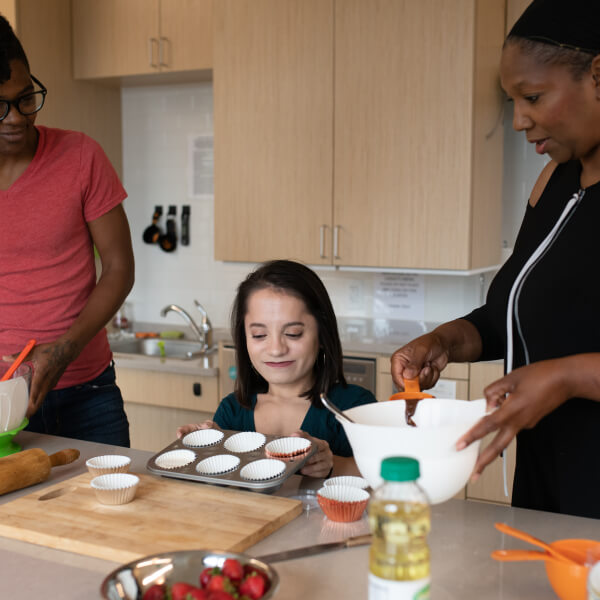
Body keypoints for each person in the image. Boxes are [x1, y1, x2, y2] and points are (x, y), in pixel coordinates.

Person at [391, 0, 600, 518]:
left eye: (532, 96)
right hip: (545, 486)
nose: (518, 120)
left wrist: (566, 377)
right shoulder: (557, 181)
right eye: (513, 100)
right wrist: (443, 340)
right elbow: (508, 312)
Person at [0, 16, 134, 446]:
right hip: (3, 400)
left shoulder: (80, 156)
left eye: (25, 99)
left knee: (114, 511)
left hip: (89, 393)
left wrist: (67, 349)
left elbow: (118, 267)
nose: (17, 118)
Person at [177, 260, 377, 478]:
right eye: (259, 335)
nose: (276, 349)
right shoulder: (232, 410)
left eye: (293, 333)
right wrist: (210, 448)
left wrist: (331, 464)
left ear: (322, 334)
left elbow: (384, 473)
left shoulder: (354, 407)